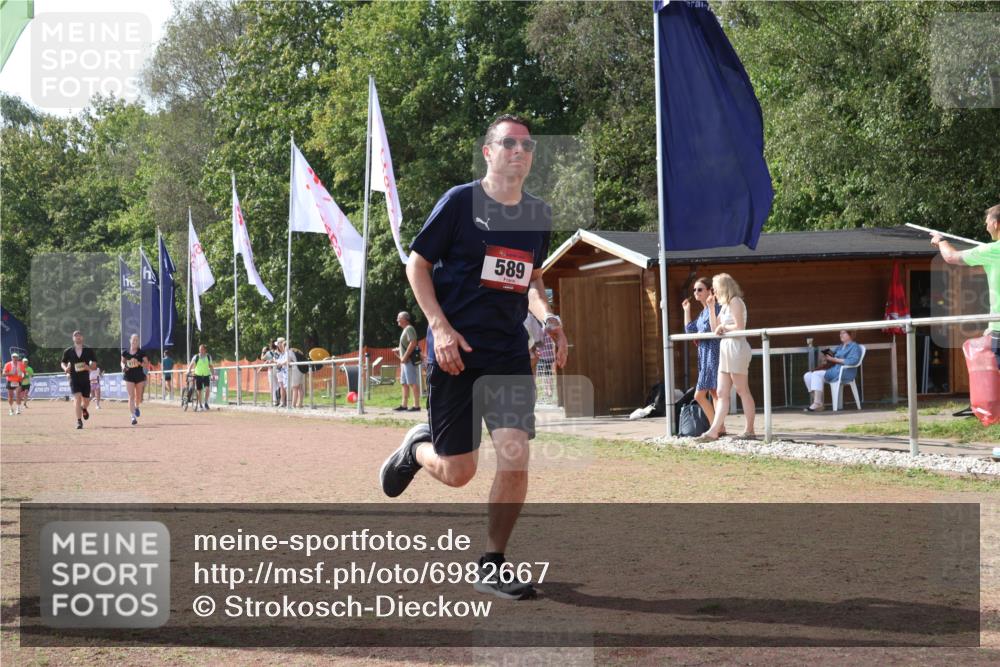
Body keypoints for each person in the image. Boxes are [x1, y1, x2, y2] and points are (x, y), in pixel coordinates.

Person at [379, 114, 569, 600]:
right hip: (455, 351)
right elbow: (417, 264)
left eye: (527, 145)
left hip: (506, 352)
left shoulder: (537, 216)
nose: (519, 151)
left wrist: (549, 319)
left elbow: (531, 278)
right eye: (508, 143)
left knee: (515, 456)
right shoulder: (461, 203)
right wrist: (438, 326)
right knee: (459, 472)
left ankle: (492, 562)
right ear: (489, 152)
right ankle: (417, 449)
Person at [932, 204, 1000, 368]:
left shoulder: (991, 250)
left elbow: (951, 257)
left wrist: (940, 241)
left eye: (987, 222)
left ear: (996, 224)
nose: (986, 225)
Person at [696, 273, 755, 441]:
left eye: (715, 287)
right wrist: (711, 308)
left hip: (737, 347)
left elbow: (739, 327)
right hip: (725, 348)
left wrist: (724, 328)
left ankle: (749, 429)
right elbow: (715, 327)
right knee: (721, 392)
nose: (713, 290)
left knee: (742, 389)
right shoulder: (723, 306)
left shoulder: (735, 301)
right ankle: (714, 431)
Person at [682, 277, 722, 430]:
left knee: (702, 394)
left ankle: (715, 427)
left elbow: (712, 330)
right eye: (694, 290)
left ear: (709, 291)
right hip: (704, 355)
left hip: (713, 353)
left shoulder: (715, 308)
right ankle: (718, 427)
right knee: (713, 392)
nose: (696, 292)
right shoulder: (703, 312)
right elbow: (690, 330)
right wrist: (687, 311)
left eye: (700, 289)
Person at [802, 330, 863, 412]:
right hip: (833, 371)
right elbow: (832, 354)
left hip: (843, 372)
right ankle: (818, 403)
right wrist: (826, 356)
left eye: (843, 333)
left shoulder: (855, 347)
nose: (841, 335)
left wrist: (834, 359)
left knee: (816, 374)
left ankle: (817, 403)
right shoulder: (841, 346)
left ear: (850, 334)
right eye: (840, 333)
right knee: (807, 375)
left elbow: (853, 361)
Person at [61, 330, 98, 429]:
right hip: (74, 378)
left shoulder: (88, 350)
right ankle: (79, 421)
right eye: (75, 336)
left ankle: (84, 408)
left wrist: (89, 368)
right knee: (77, 398)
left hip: (85, 379)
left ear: (82, 338)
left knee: (86, 400)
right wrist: (65, 369)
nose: (78, 337)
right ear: (73, 338)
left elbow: (94, 363)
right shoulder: (68, 351)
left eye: (79, 335)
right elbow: (63, 362)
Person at [394, 311, 421, 411]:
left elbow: (413, 343)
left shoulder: (409, 328)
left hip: (408, 360)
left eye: (399, 318)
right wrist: (399, 350)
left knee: (412, 382)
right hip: (405, 361)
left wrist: (404, 356)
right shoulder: (406, 329)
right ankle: (404, 405)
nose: (397, 320)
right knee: (404, 383)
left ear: (405, 319)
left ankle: (416, 405)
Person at [122, 334, 150, 425]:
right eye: (133, 340)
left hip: (139, 376)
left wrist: (139, 363)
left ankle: (137, 407)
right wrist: (123, 367)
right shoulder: (125, 352)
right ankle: (133, 416)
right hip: (128, 375)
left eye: (136, 340)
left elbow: (146, 364)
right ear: (130, 341)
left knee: (138, 396)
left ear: (138, 342)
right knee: (131, 396)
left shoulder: (141, 352)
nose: (134, 342)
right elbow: (122, 362)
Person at [187, 344, 215, 412]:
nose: (200, 351)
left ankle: (205, 403)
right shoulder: (196, 357)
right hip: (198, 375)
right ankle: (200, 405)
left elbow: (211, 366)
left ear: (205, 350)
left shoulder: (208, 356)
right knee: (199, 391)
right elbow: (191, 365)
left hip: (206, 375)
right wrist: (188, 371)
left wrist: (213, 374)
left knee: (207, 389)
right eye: (200, 349)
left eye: (202, 349)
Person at [260, 342, 279, 406]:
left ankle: (275, 401)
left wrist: (263, 351)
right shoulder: (279, 352)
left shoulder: (268, 353)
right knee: (279, 385)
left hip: (271, 369)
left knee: (273, 385)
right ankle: (281, 399)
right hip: (279, 369)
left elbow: (262, 358)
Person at [273, 338, 288, 408]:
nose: (278, 345)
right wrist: (279, 363)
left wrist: (280, 363)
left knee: (286, 386)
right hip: (280, 371)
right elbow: (275, 360)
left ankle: (287, 401)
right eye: (278, 344)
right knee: (282, 387)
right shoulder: (276, 352)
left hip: (286, 370)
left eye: (279, 343)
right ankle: (282, 401)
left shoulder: (286, 351)